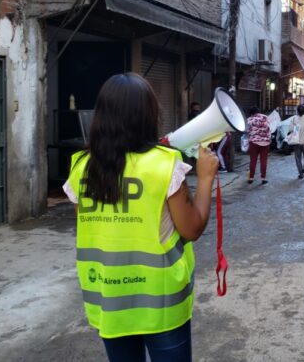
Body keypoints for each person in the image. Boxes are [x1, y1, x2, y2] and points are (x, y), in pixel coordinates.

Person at [63, 73, 219, 362]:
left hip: (108, 298)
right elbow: (192, 228)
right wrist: (206, 177)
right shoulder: (164, 164)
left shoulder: (80, 167)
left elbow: (93, 229)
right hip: (160, 302)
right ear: (147, 116)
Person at [246, 106, 271, 184]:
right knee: (263, 160)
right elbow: (270, 129)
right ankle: (263, 178)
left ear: (251, 113)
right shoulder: (265, 117)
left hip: (254, 142)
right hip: (265, 142)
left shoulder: (249, 119)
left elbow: (246, 130)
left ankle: (251, 178)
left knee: (253, 160)